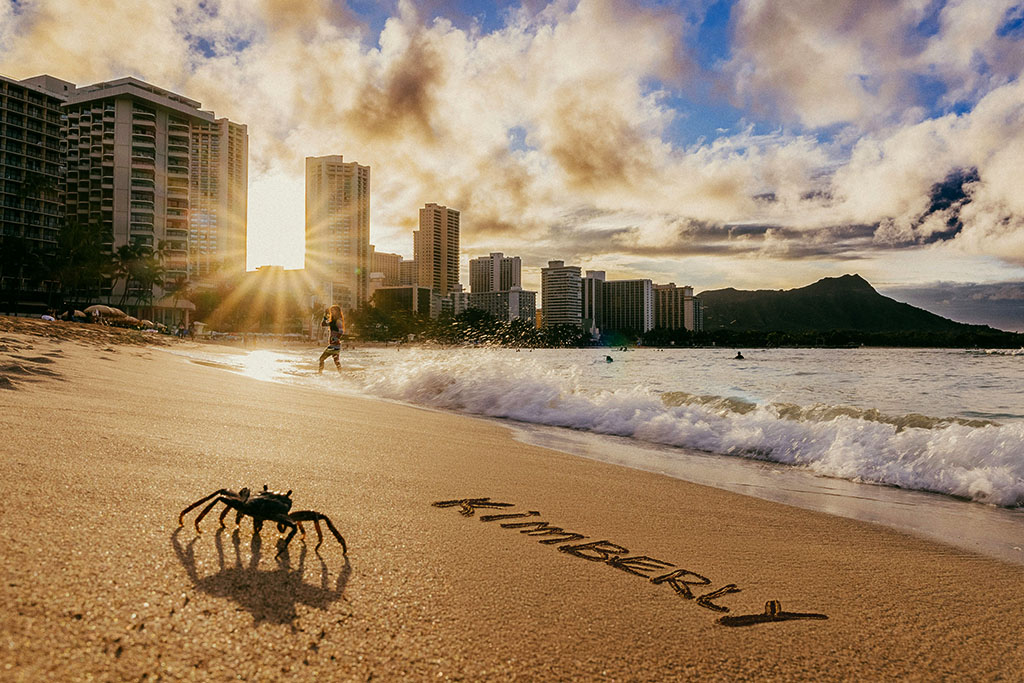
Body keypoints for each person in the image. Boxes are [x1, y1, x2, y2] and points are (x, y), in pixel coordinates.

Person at [318, 305, 345, 375]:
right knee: (336, 361)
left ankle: (320, 373)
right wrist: (325, 316)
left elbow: (341, 331)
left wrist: (335, 339)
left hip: (334, 345)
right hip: (334, 345)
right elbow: (323, 324)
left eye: (333, 310)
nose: (332, 312)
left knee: (322, 359)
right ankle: (341, 374)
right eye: (331, 311)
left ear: (338, 312)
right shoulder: (332, 321)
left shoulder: (338, 320)